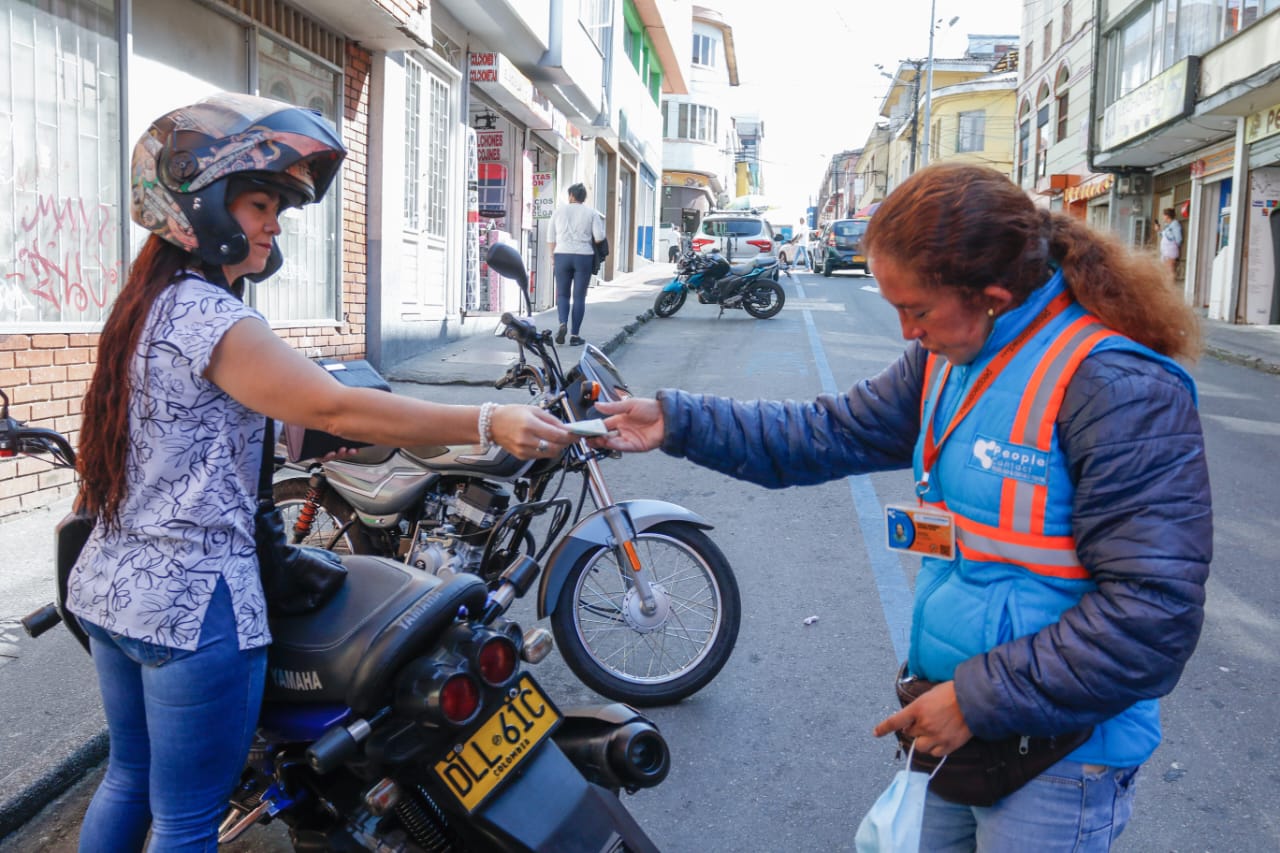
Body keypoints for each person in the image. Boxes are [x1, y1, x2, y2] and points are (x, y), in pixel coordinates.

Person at [593, 163, 1211, 852]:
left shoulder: (1117, 388)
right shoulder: (948, 355)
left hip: (1057, 758)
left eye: (915, 308)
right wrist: (677, 421)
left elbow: (1153, 614)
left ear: (994, 295)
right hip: (959, 727)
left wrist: (978, 699)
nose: (905, 331)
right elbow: (826, 433)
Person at [68, 92, 574, 852]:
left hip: (113, 589)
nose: (273, 223)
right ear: (200, 206)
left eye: (278, 207)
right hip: (194, 607)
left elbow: (213, 426)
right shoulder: (216, 318)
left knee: (129, 780)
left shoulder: (149, 305)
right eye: (259, 203)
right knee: (184, 820)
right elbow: (342, 409)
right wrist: (487, 421)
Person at [546, 182, 606, 346]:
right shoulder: (591, 213)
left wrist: (553, 257)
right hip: (583, 257)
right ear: (583, 197)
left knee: (563, 295)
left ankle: (562, 323)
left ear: (571, 195)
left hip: (562, 255)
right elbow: (599, 237)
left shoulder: (558, 211)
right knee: (579, 297)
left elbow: (550, 238)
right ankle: (575, 336)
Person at [1158, 207, 1183, 277]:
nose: (1163, 217)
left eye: (1164, 215)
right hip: (1165, 252)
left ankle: (1170, 286)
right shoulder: (1167, 226)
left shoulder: (1175, 224)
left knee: (1170, 271)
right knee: (1164, 271)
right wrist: (1159, 230)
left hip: (1170, 251)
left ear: (1167, 216)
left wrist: (1174, 247)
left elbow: (1178, 238)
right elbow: (1165, 235)